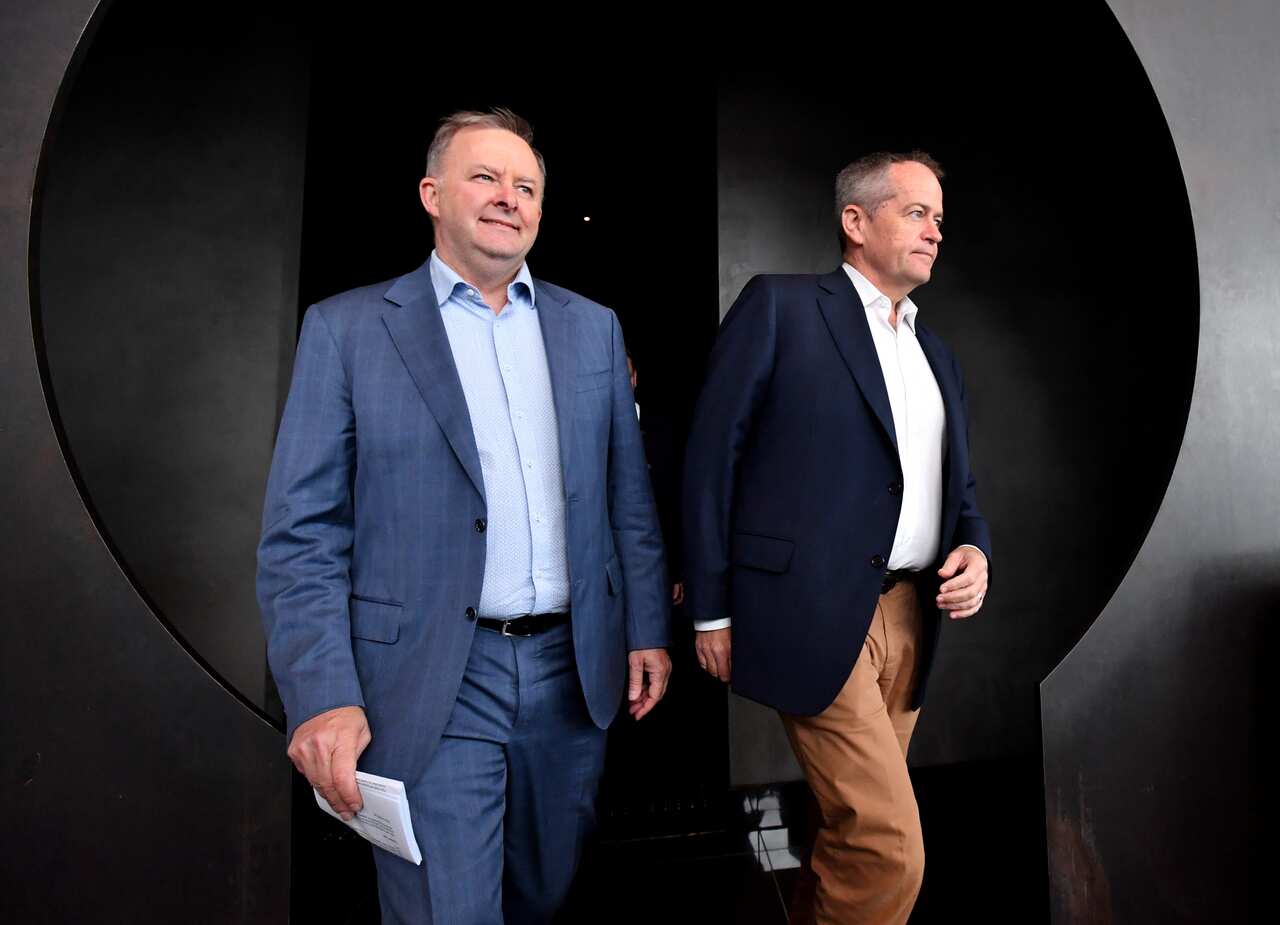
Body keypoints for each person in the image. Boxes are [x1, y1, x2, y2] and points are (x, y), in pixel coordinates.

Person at [257, 107, 671, 924]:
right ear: (431, 193)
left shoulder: (593, 328)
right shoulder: (346, 330)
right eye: (484, 177)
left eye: (525, 186)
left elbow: (628, 500)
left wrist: (647, 624)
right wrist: (320, 691)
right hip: (432, 677)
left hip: (572, 670)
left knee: (544, 890)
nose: (506, 197)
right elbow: (302, 535)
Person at [682, 151, 991, 924]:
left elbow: (962, 492)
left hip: (912, 620)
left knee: (844, 831)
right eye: (916, 212)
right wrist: (710, 610)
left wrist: (976, 549)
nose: (935, 231)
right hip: (812, 611)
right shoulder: (781, 308)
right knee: (889, 845)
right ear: (855, 221)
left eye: (940, 219)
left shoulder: (937, 354)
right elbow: (710, 459)